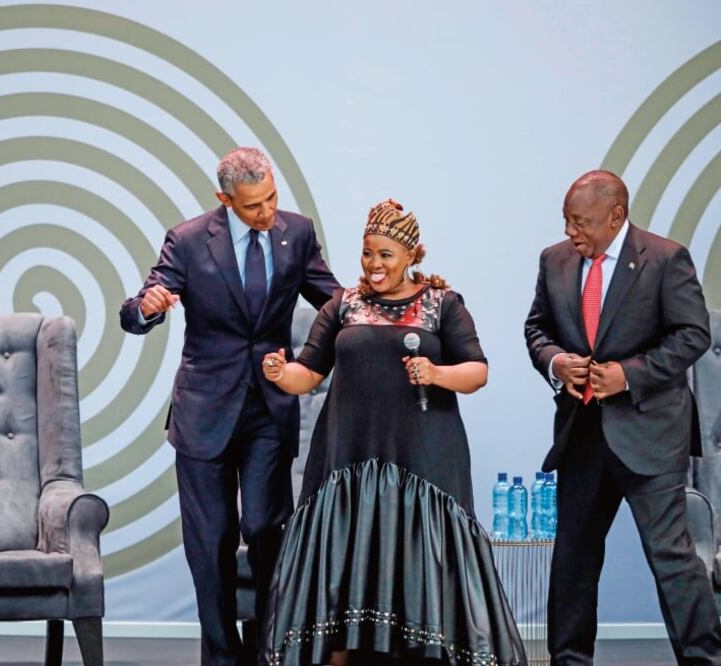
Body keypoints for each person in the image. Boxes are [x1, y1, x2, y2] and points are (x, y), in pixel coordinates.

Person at [262, 200, 526, 666]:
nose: (374, 265)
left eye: (385, 254)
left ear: (411, 255)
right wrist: (281, 374)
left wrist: (436, 374)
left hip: (423, 457)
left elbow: (477, 372)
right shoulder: (341, 305)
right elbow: (308, 374)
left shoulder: (442, 305)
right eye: (367, 253)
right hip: (348, 457)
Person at [120, 147, 340, 665]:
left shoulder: (297, 232)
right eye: (252, 207)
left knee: (266, 527)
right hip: (204, 411)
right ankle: (222, 656)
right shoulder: (190, 240)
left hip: (268, 408)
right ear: (224, 199)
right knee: (211, 542)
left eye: (270, 200)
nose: (266, 213)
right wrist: (146, 309)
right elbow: (139, 307)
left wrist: (385, 313)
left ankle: (269, 649)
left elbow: (332, 302)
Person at [524, 170, 721, 665]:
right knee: (573, 561)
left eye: (582, 222)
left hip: (650, 433)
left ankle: (704, 658)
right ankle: (569, 660)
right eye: (567, 221)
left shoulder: (665, 258)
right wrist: (555, 361)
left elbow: (692, 334)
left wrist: (629, 375)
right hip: (582, 432)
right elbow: (537, 328)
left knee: (673, 559)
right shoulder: (554, 260)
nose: (572, 232)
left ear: (616, 216)